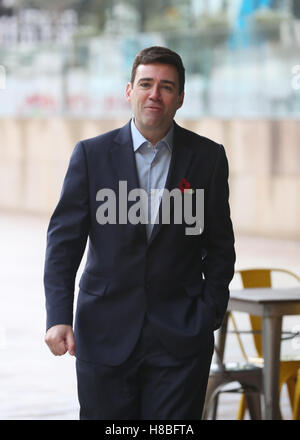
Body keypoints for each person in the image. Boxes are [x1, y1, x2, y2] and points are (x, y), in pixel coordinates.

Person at [44, 46, 235, 420]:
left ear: (180, 98)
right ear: (129, 91)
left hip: (181, 337)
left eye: (166, 87)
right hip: (104, 332)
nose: (155, 94)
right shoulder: (91, 155)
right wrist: (57, 315)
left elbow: (220, 245)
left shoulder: (208, 158)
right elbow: (63, 243)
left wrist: (208, 312)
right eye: (146, 84)